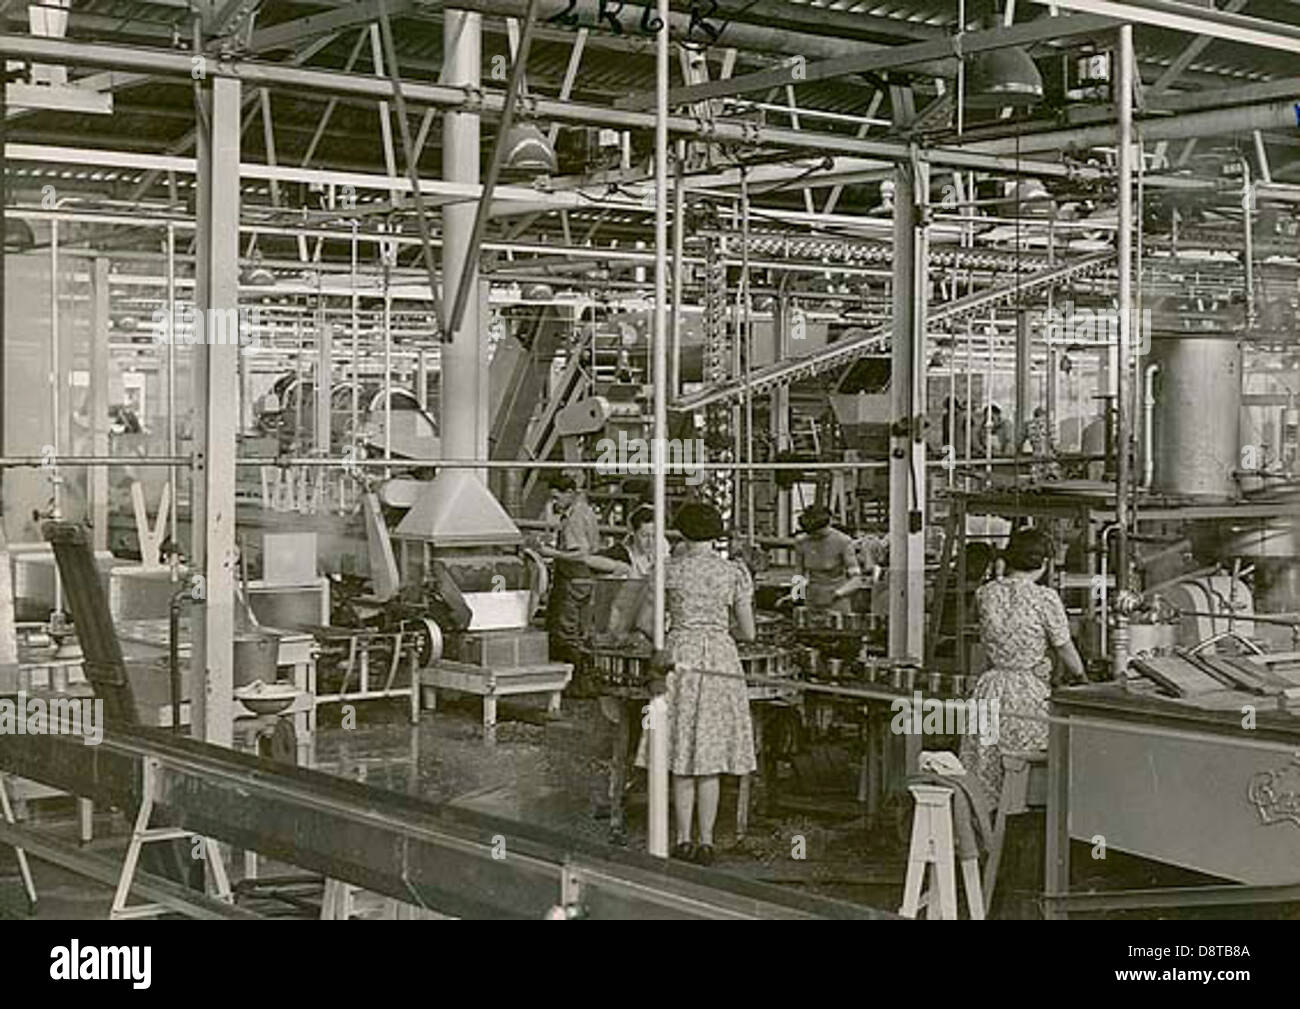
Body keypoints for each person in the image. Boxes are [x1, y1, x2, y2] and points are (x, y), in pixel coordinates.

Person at [637, 501, 757, 865]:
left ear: (682, 533)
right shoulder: (733, 573)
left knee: (680, 749)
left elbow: (644, 622)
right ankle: (707, 842)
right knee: (710, 752)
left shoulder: (668, 571)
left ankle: (682, 839)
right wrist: (718, 631)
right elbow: (749, 632)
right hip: (720, 659)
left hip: (679, 656)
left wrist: (678, 632)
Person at [960, 528, 1086, 806]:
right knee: (1025, 773)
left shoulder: (986, 593)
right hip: (1027, 694)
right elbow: (1065, 646)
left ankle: (982, 837)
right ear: (1044, 563)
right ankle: (1019, 834)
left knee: (985, 765)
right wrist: (1082, 675)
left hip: (990, 689)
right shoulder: (1045, 598)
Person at [538, 473, 613, 662]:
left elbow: (580, 553)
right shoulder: (586, 511)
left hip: (572, 578)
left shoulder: (574, 519)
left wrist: (551, 553)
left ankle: (572, 677)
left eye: (557, 497)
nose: (554, 502)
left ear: (570, 493)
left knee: (564, 633)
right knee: (580, 630)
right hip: (585, 579)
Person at [792, 503, 862, 613]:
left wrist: (836, 594)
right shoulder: (802, 541)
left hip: (836, 600)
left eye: (818, 533)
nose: (814, 537)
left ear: (827, 524)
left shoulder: (843, 541)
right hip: (812, 598)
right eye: (811, 534)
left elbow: (857, 580)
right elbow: (799, 572)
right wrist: (796, 595)